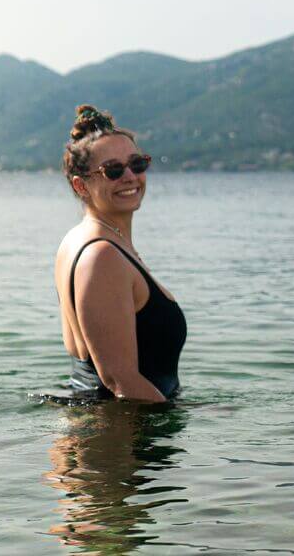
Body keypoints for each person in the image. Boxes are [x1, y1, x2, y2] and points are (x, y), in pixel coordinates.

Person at [54, 104, 186, 402]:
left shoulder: (81, 240)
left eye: (136, 164)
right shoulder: (101, 256)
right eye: (113, 170)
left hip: (108, 429)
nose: (129, 176)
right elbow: (120, 381)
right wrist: (197, 415)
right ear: (81, 185)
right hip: (122, 439)